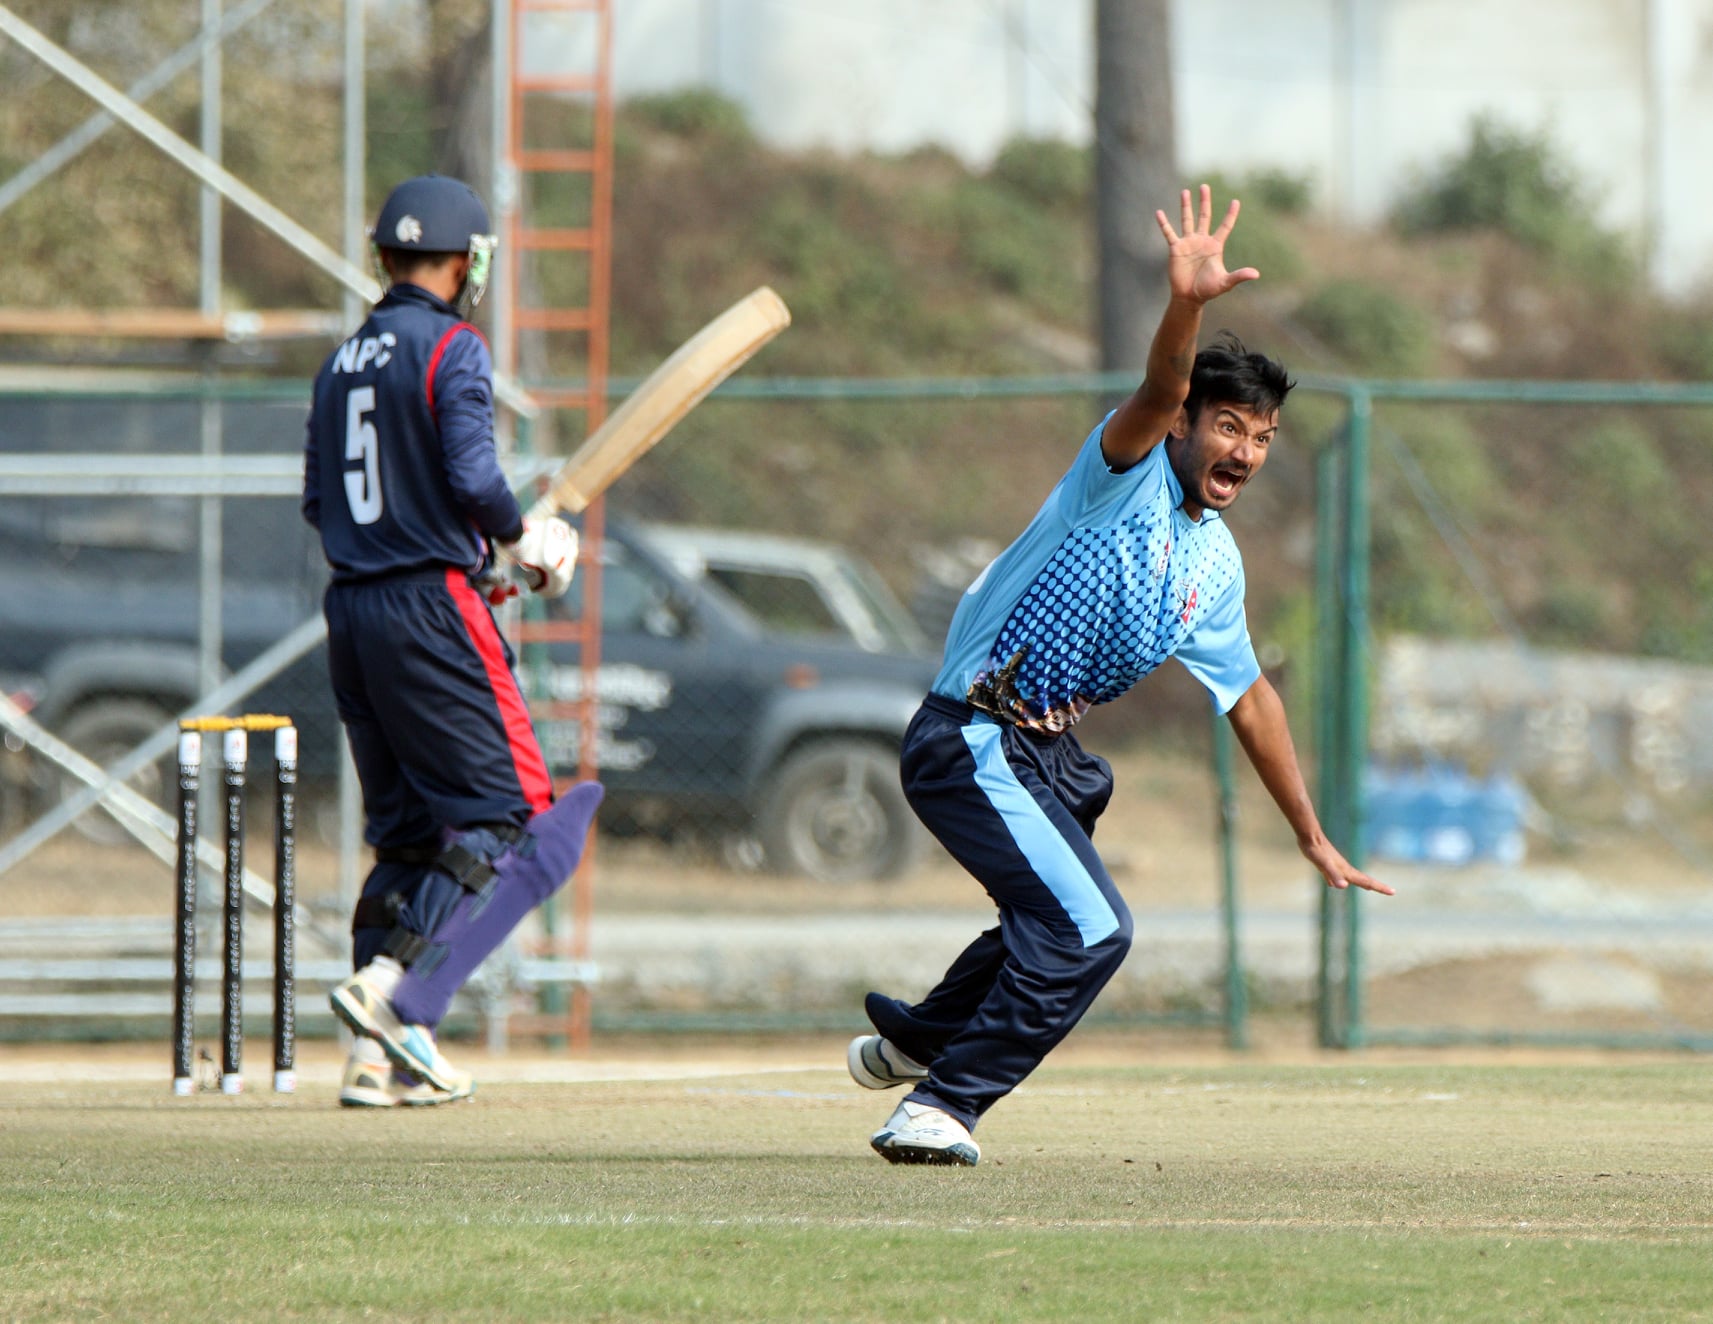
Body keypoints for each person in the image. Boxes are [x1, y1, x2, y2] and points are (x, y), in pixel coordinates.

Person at [851, 185, 1394, 1166]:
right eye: (1230, 425)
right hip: (972, 736)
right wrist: (1185, 302)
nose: (1247, 450)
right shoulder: (1125, 470)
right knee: (1092, 928)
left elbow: (1251, 698)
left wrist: (1311, 833)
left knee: (1052, 915)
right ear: (1185, 423)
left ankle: (924, 1039)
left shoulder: (1214, 562)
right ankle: (940, 1103)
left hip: (1047, 758)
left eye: (1264, 438)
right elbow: (1156, 386)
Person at [301, 173, 602, 1107]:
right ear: (469, 261)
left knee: (406, 834)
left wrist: (473, 561)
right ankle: (405, 1000)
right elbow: (474, 477)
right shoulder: (453, 348)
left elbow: (323, 503)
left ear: (381, 253)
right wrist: (520, 540)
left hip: (352, 609)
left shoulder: (342, 360)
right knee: (517, 821)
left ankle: (370, 1060)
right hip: (432, 608)